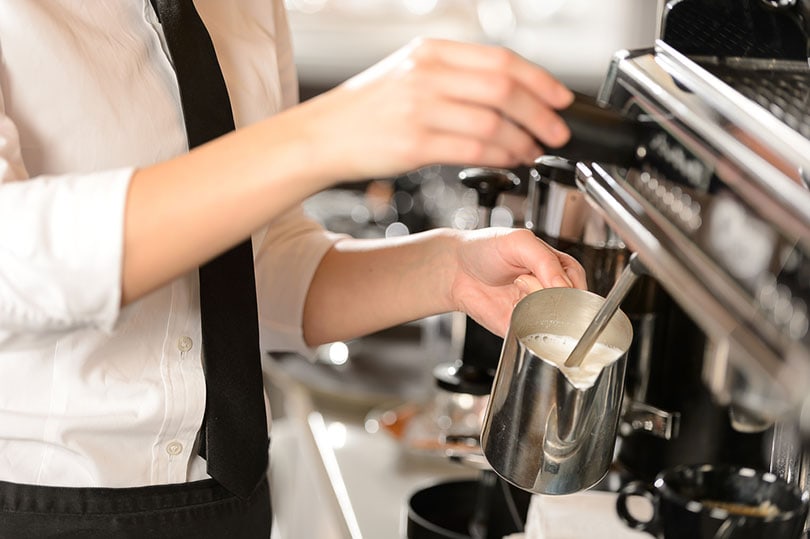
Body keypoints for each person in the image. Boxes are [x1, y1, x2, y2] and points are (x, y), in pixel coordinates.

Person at [0, 1, 586, 537]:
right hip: (37, 505)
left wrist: (448, 270)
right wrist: (323, 133)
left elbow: (251, 265)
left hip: (229, 503)